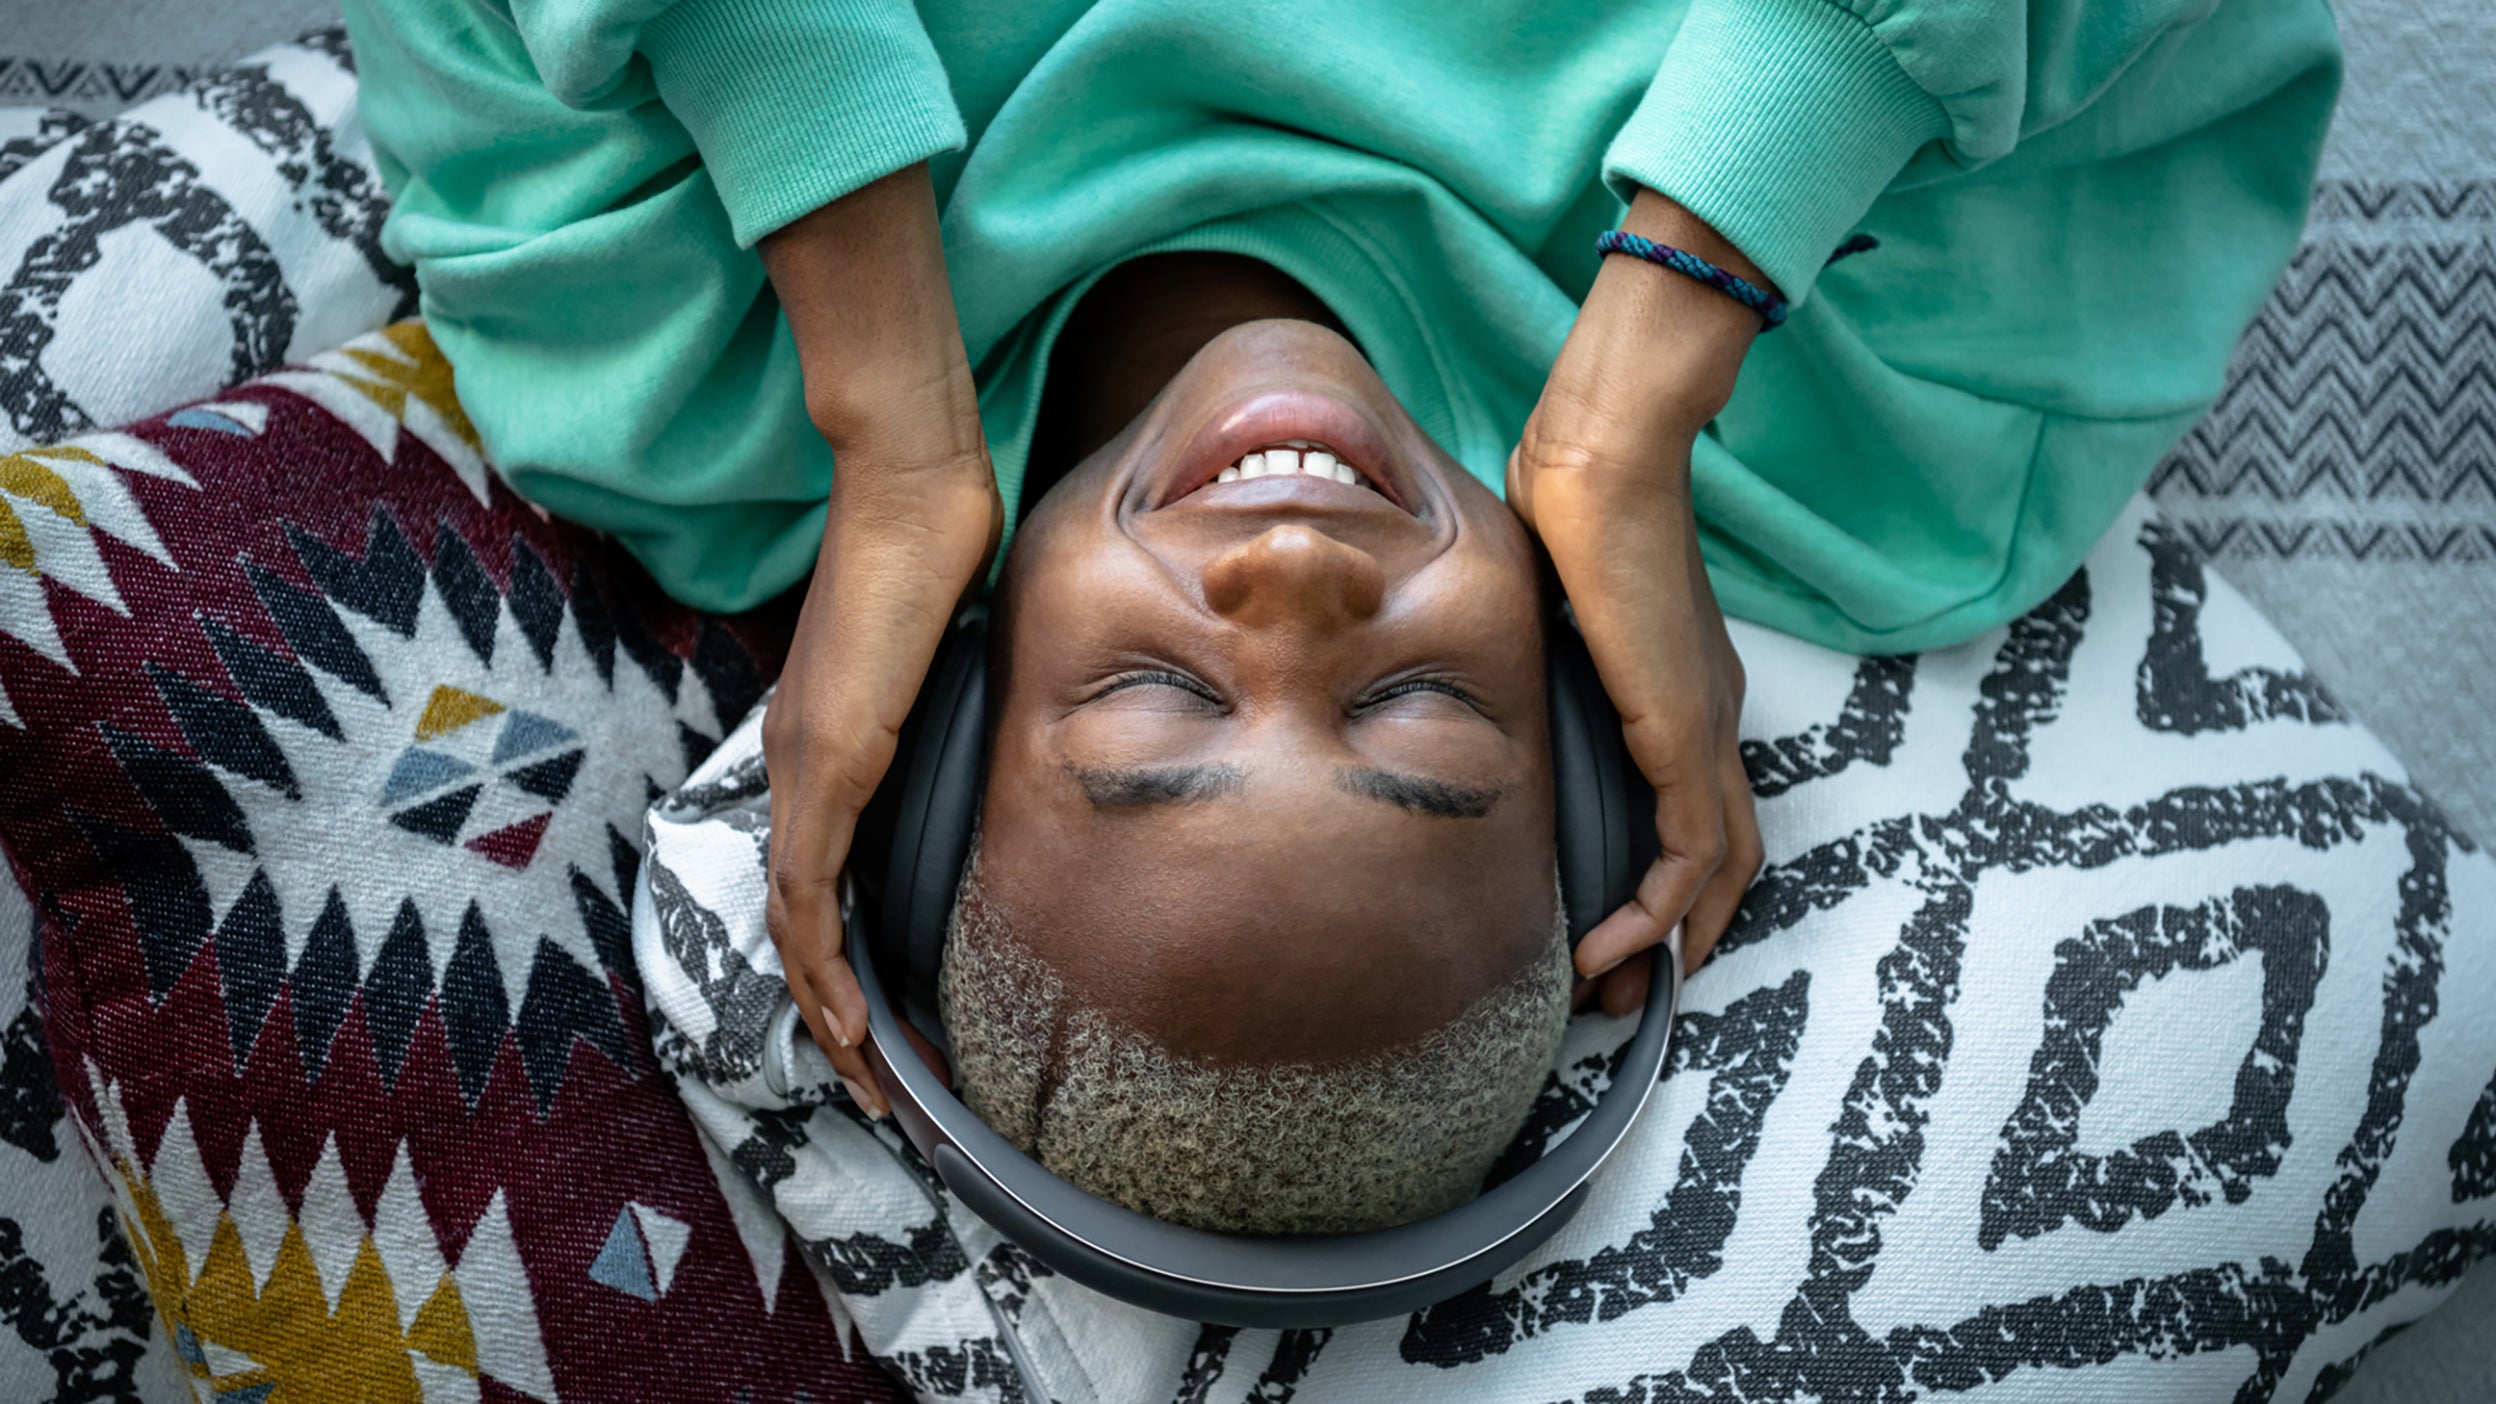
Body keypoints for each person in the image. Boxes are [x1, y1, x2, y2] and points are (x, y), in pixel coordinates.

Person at [337, 0, 2340, 1160]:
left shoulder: (689, 401)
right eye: (1421, 718)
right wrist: (1644, 385)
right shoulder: (1879, 474)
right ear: (1582, 736)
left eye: (1156, 707)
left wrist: (884, 404)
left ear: (942, 747)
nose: (1293, 597)